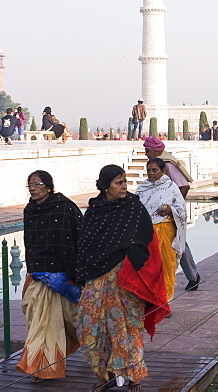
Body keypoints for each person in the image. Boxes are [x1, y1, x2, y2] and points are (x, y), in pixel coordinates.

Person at [76, 165, 169, 391]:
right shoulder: (95, 210)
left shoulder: (132, 207)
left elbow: (146, 239)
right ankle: (103, 374)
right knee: (89, 327)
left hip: (126, 278)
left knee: (128, 327)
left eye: (125, 181)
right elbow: (85, 244)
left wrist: (128, 255)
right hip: (96, 278)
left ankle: (134, 375)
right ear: (106, 186)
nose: (125, 186)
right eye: (119, 183)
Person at [16, 170, 83, 383]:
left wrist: (73, 276)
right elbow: (30, 243)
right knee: (39, 322)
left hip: (62, 277)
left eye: (37, 184)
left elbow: (78, 239)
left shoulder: (64, 209)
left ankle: (47, 364)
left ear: (48, 186)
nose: (33, 189)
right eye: (30, 185)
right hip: (38, 274)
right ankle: (41, 367)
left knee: (70, 322)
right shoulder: (31, 210)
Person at [141, 136, 202, 291]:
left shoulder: (167, 164)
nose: (146, 154)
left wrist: (174, 207)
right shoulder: (156, 167)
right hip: (154, 222)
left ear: (155, 150)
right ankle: (191, 277)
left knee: (179, 245)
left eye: (147, 150)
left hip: (169, 217)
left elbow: (183, 186)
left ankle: (191, 277)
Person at [135, 157, 187, 300]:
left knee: (165, 266)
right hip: (146, 234)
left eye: (155, 170)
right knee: (149, 268)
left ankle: (165, 300)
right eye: (149, 170)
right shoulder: (142, 188)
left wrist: (171, 210)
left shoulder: (170, 187)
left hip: (166, 231)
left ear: (163, 171)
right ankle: (151, 299)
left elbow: (182, 209)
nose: (151, 173)